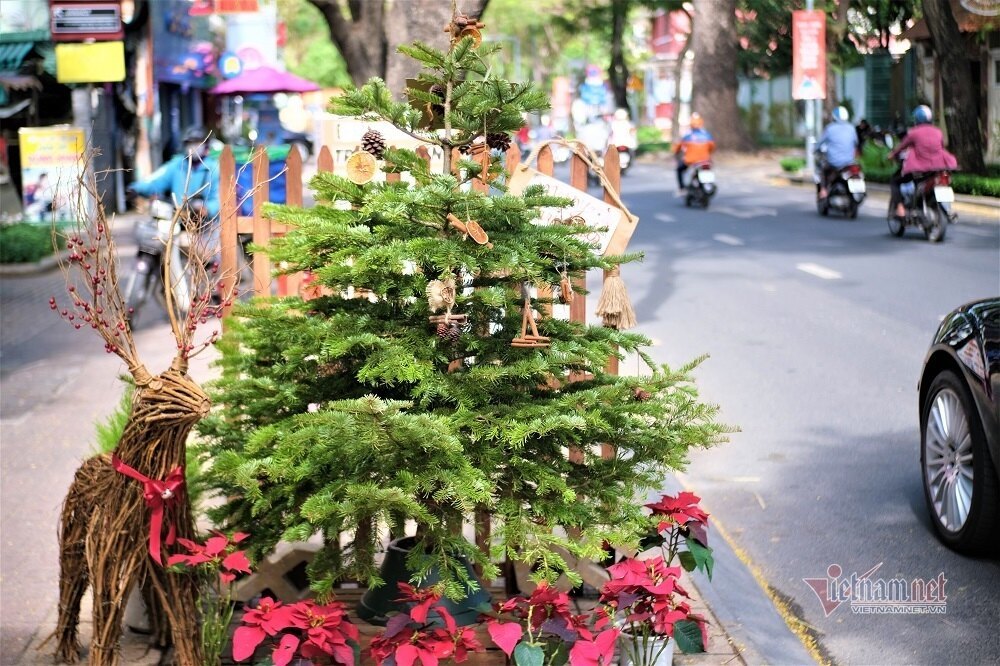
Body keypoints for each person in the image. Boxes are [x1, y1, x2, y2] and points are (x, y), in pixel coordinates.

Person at [130, 126, 221, 258]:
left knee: (211, 259)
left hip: (204, 226)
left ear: (206, 146)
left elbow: (218, 199)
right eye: (190, 144)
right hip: (177, 220)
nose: (193, 147)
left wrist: (207, 209)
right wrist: (136, 188)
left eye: (197, 143)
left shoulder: (213, 168)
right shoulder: (177, 165)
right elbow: (156, 181)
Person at [887, 105, 958, 219]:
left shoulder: (913, 132)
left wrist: (892, 155)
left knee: (895, 181)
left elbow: (901, 147)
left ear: (916, 119)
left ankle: (900, 208)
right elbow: (941, 147)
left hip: (920, 169)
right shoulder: (938, 132)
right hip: (937, 168)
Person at [816, 106, 858, 199]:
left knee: (823, 170)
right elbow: (856, 143)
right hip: (849, 162)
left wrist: (815, 149)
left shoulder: (830, 128)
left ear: (834, 117)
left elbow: (820, 143)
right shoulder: (851, 128)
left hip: (834, 162)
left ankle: (823, 190)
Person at [673, 113, 715, 195]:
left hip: (690, 161)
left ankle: (682, 188)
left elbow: (678, 147)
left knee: (679, 169)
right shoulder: (707, 135)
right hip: (705, 161)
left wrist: (676, 153)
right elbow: (712, 147)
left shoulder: (687, 135)